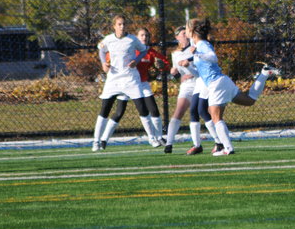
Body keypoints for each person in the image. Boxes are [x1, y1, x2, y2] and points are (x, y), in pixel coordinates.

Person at [186, 18, 279, 156]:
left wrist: (197, 53)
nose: (185, 31)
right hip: (222, 82)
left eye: (186, 29)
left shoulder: (202, 45)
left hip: (217, 84)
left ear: (192, 31)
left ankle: (228, 148)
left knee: (215, 116)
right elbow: (202, 68)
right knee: (249, 100)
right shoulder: (197, 45)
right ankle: (264, 74)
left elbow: (213, 57)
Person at [91, 15, 155, 151]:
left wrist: (136, 60)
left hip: (130, 79)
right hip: (113, 79)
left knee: (142, 108)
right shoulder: (109, 39)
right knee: (105, 109)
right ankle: (96, 141)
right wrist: (103, 63)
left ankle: (152, 138)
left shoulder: (132, 39)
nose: (122, 27)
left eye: (124, 24)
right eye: (119, 24)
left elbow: (143, 50)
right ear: (114, 26)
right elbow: (101, 50)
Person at [164, 26, 222, 154]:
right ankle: (170, 143)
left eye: (187, 33)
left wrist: (189, 68)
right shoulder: (175, 54)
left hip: (201, 81)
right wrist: (176, 75)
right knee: (184, 111)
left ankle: (219, 142)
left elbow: (201, 68)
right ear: (177, 37)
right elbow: (178, 73)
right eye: (183, 33)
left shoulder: (195, 48)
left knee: (203, 111)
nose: (186, 35)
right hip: (188, 85)